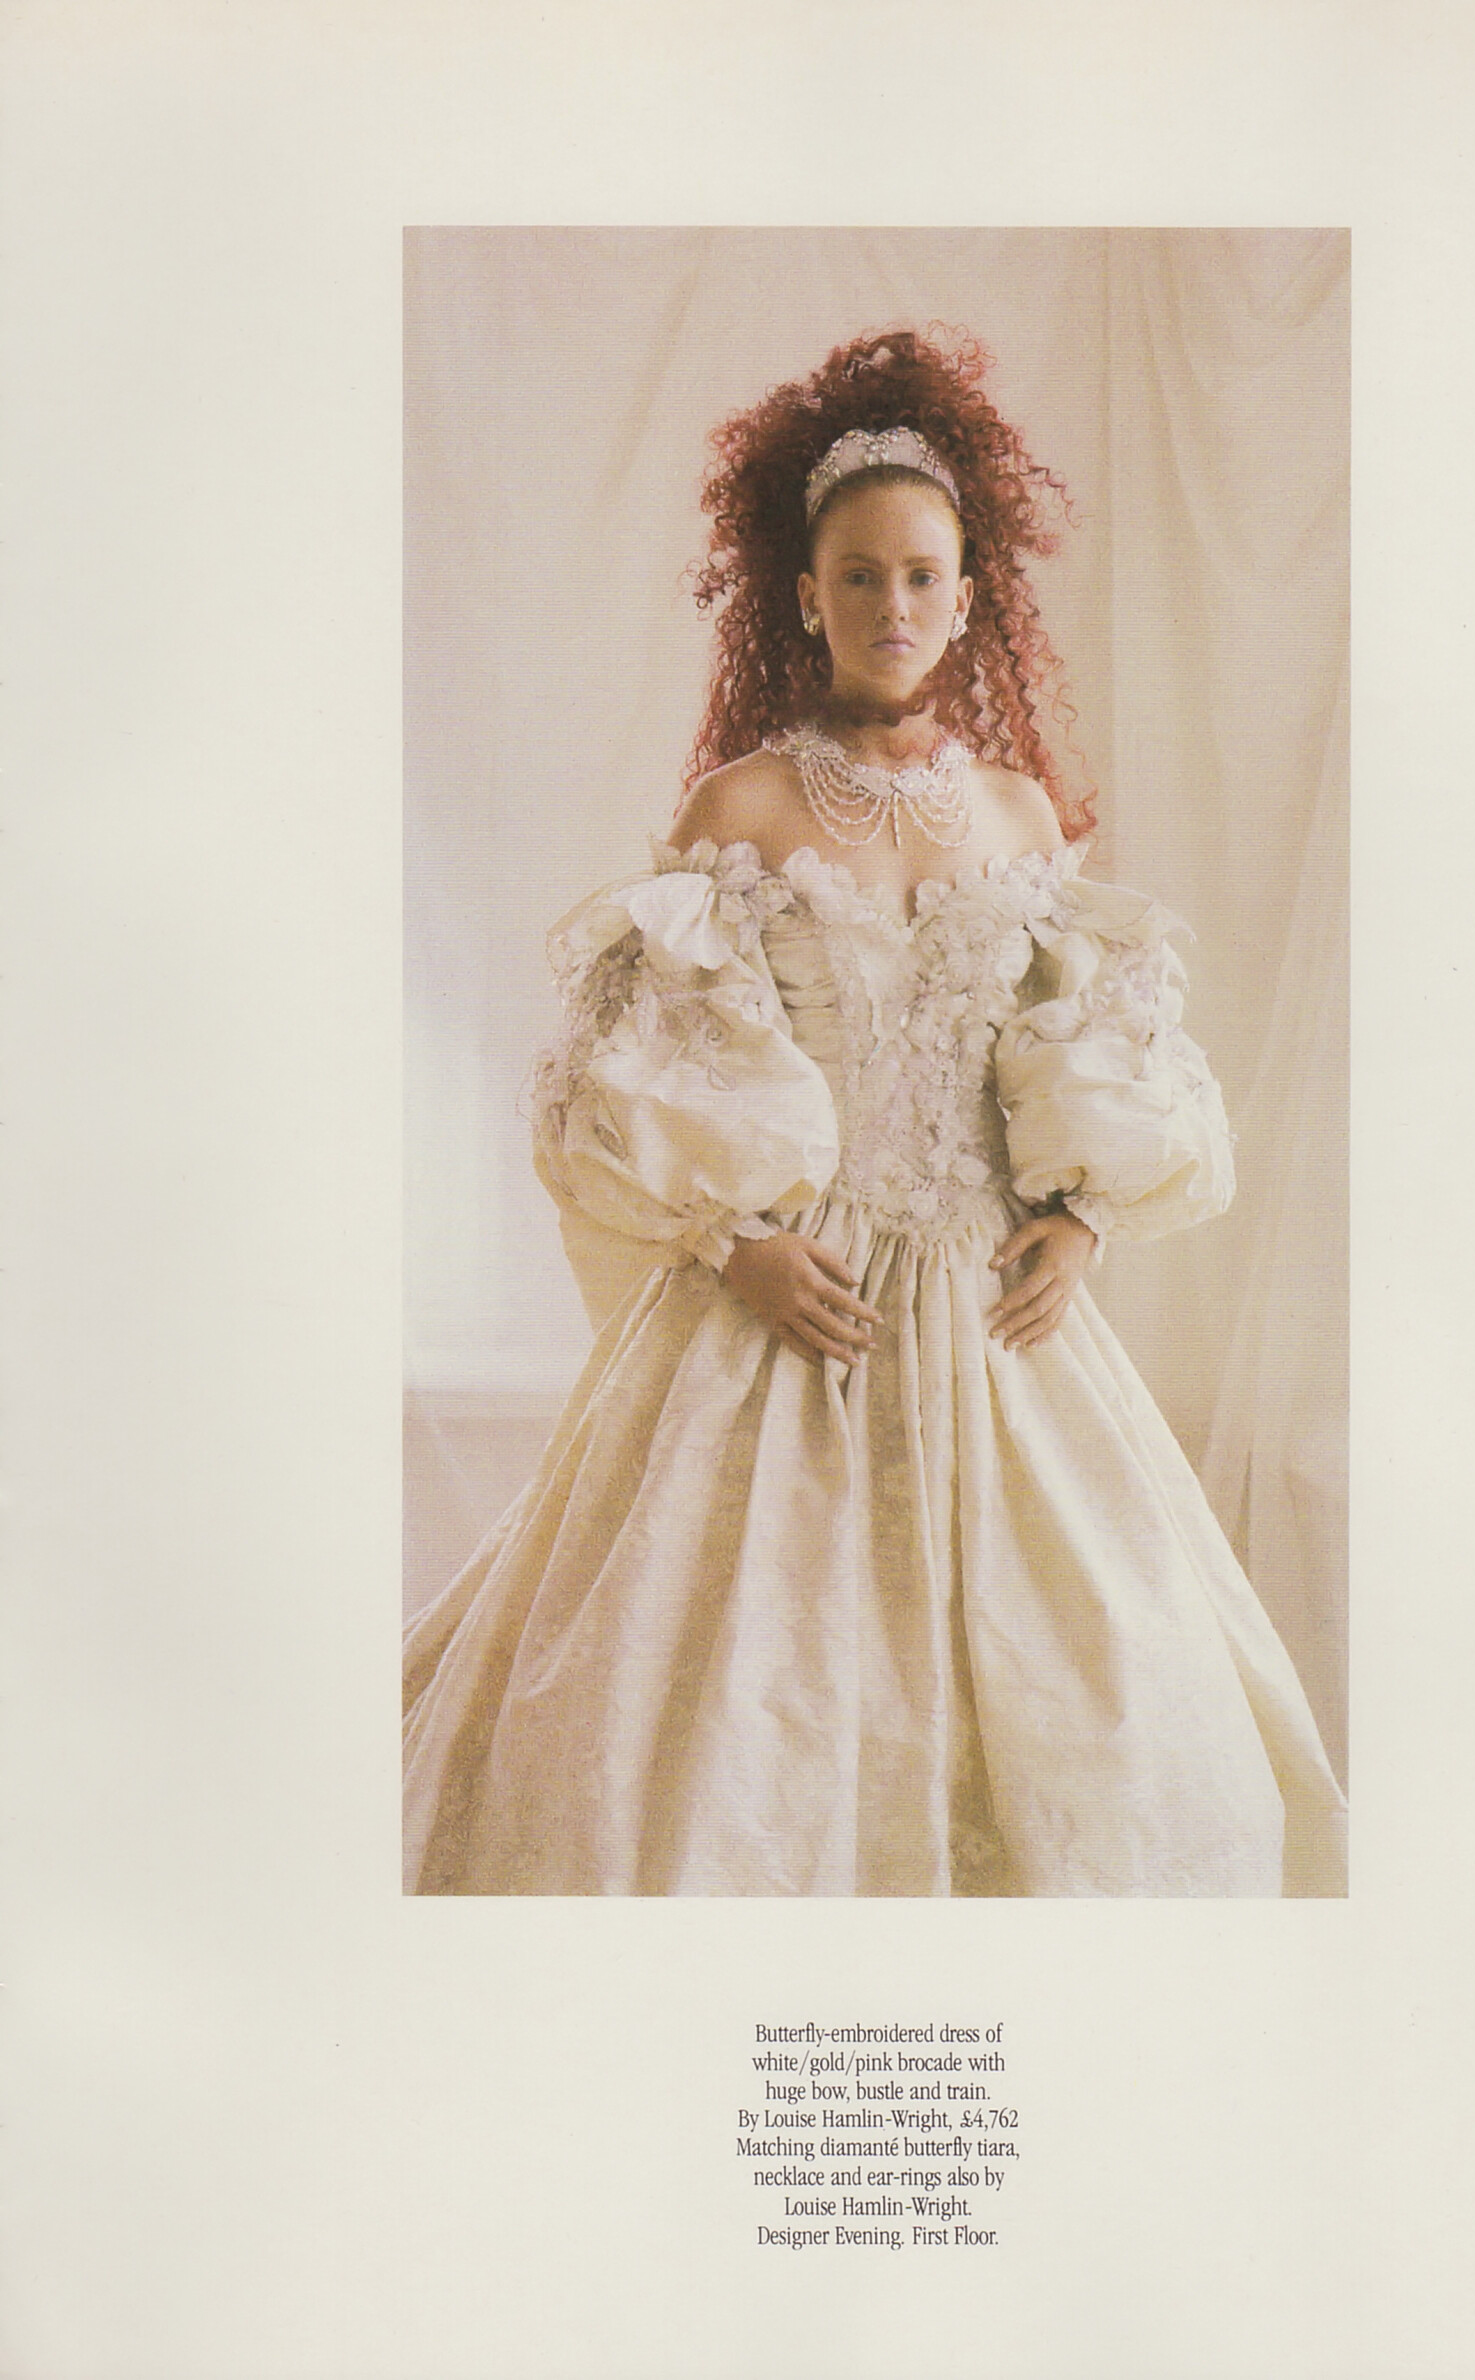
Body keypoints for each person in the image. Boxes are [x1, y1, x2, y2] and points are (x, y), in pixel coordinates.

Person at [404, 326, 1346, 1897]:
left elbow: (1079, 1044)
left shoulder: (1020, 814)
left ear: (969, 596)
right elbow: (630, 1083)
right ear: (804, 595)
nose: (892, 607)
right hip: (794, 1300)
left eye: (921, 576)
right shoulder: (744, 807)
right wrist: (735, 1246)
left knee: (1096, 1682)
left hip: (991, 1315)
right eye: (858, 577)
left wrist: (1080, 1220)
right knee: (729, 1723)